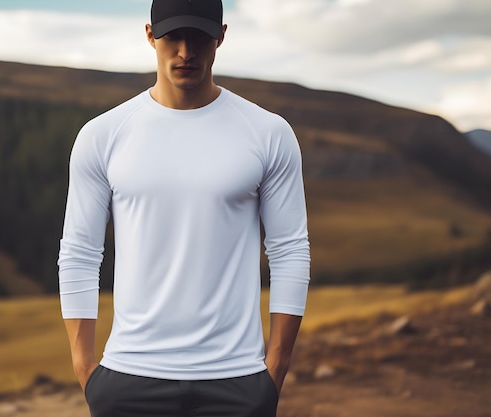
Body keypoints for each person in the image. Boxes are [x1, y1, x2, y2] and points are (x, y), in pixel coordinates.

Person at [58, 0, 310, 415]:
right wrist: (86, 366)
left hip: (237, 379)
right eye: (173, 37)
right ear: (149, 35)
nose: (185, 52)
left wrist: (275, 367)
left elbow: (289, 250)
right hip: (128, 379)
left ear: (221, 37)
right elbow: (80, 254)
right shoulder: (102, 136)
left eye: (198, 38)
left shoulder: (268, 133)